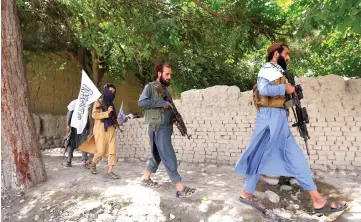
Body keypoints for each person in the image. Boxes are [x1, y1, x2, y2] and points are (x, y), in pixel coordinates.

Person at [234, 43, 348, 214]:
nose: (288, 57)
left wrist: (290, 93)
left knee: (297, 159)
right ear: (275, 54)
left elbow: (279, 96)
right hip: (269, 119)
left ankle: (317, 201)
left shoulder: (277, 72)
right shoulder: (266, 68)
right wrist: (285, 88)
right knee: (260, 157)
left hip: (279, 118)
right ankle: (246, 193)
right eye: (286, 54)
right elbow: (264, 90)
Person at [138, 63, 196, 198]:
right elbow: (142, 103)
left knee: (156, 155)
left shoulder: (166, 91)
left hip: (166, 127)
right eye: (167, 74)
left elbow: (169, 108)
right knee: (169, 155)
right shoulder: (150, 87)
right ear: (159, 73)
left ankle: (146, 178)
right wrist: (161, 103)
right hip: (157, 127)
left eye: (170, 75)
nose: (169, 77)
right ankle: (180, 187)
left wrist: (173, 119)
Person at [89, 83, 120, 179]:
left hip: (111, 128)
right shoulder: (98, 102)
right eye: (110, 91)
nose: (112, 93)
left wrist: (117, 122)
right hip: (101, 129)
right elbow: (94, 115)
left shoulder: (112, 104)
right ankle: (93, 163)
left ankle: (109, 172)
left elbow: (113, 116)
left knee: (112, 150)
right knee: (101, 151)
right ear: (106, 91)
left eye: (114, 92)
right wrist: (106, 113)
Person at [65, 99, 92, 168]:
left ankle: (82, 161)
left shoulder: (84, 104)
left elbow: (87, 117)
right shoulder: (77, 103)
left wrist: (88, 127)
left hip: (82, 127)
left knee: (82, 143)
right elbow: (70, 114)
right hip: (74, 127)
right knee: (71, 142)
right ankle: (69, 160)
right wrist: (68, 125)